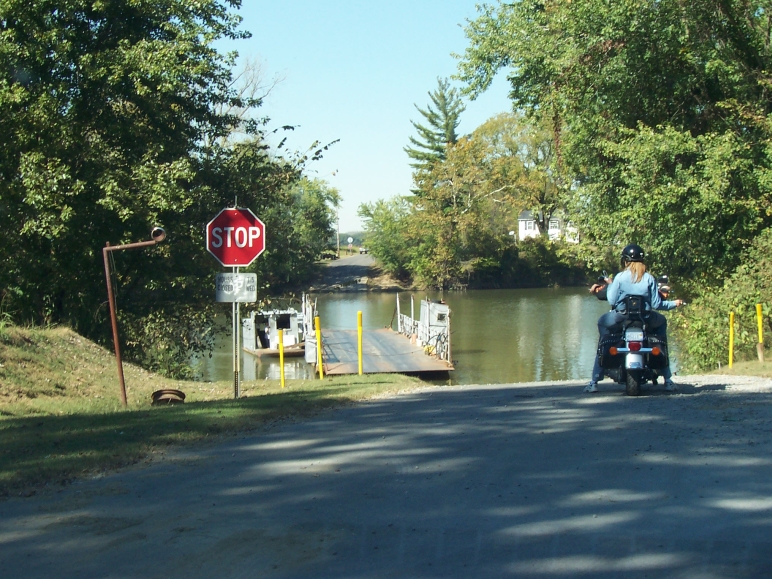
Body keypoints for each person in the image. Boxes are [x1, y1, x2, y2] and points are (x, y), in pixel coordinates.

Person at [584, 244, 684, 393]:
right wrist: (673, 304)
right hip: (646, 318)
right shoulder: (649, 278)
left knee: (602, 330)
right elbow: (657, 303)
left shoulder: (620, 277)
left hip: (621, 317)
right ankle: (667, 379)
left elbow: (611, 300)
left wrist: (611, 285)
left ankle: (595, 379)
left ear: (625, 261)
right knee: (661, 327)